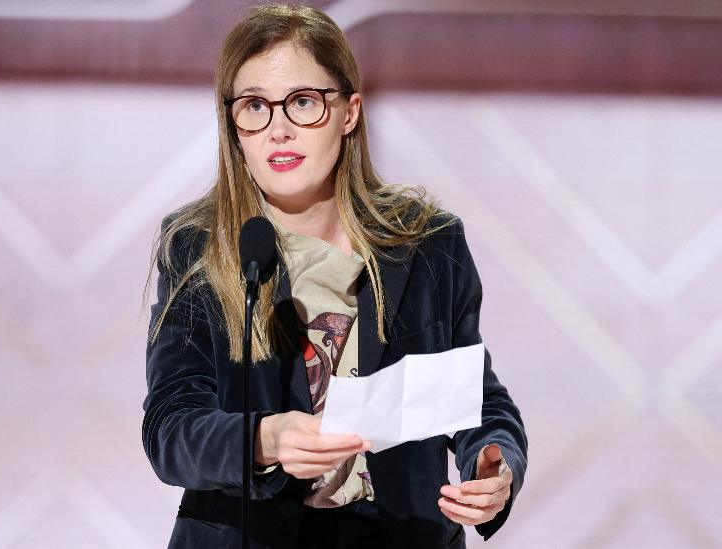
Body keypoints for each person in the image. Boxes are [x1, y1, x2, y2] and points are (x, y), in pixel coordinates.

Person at [141, 4, 527, 548]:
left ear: (349, 112)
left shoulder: (425, 243)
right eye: (255, 106)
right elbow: (170, 429)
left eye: (302, 103)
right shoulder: (200, 247)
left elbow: (475, 401)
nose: (278, 130)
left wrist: (494, 463)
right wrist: (262, 438)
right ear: (234, 124)